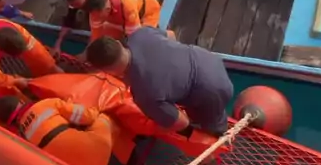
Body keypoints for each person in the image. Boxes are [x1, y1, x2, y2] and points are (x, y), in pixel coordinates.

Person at [85, 28, 234, 137]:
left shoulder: (144, 94)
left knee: (210, 126)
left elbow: (182, 123)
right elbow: (171, 35)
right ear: (118, 43)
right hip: (208, 58)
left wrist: (160, 120)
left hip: (213, 89)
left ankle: (219, 139)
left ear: (109, 70)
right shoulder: (140, 34)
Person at [0, 95, 115, 165]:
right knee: (105, 118)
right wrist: (94, 110)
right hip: (98, 151)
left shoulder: (21, 140)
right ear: (21, 101)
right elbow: (87, 116)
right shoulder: (45, 104)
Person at [53, 0, 129, 52]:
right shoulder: (76, 0)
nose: (74, 6)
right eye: (72, 5)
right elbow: (68, 22)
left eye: (77, 4)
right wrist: (58, 43)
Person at [85, 0, 161, 44]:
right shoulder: (95, 7)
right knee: (107, 38)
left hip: (148, 12)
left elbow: (134, 38)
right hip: (121, 16)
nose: (96, 18)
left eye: (99, 16)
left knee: (143, 40)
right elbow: (95, 36)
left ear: (107, 9)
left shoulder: (127, 7)